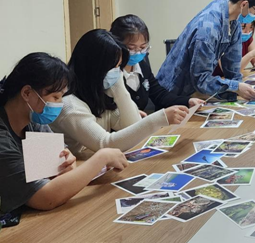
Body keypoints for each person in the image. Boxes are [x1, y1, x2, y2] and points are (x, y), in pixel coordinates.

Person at [0, 53, 128, 216]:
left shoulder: (33, 120)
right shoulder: (3, 138)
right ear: (27, 93)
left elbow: (58, 170)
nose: (59, 104)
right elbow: (45, 198)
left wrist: (65, 165)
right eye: (55, 97)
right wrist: (102, 157)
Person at [50, 30, 189, 157]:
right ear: (94, 68)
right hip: (76, 167)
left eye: (118, 67)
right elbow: (105, 143)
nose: (118, 73)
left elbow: (132, 126)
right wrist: (160, 118)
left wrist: (119, 89)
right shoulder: (69, 104)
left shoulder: (99, 91)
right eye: (113, 67)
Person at [157, 0, 255, 102]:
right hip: (173, 94)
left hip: (193, 92)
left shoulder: (232, 16)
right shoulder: (208, 30)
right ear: (244, 5)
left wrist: (237, 89)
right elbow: (201, 79)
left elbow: (233, 68)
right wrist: (236, 87)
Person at [110, 15, 204, 111]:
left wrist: (187, 101)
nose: (138, 53)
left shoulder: (142, 66)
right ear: (116, 45)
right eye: (131, 48)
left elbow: (159, 94)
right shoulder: (110, 74)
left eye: (142, 47)